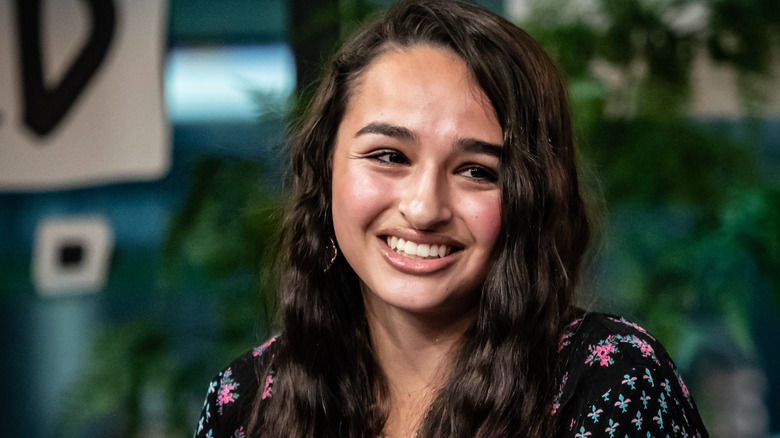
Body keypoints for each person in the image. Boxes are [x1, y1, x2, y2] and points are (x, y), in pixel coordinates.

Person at [194, 0, 708, 437]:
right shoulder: (244, 405)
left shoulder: (611, 379)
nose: (424, 209)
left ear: (531, 197)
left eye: (476, 171)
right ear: (325, 168)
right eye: (389, 156)